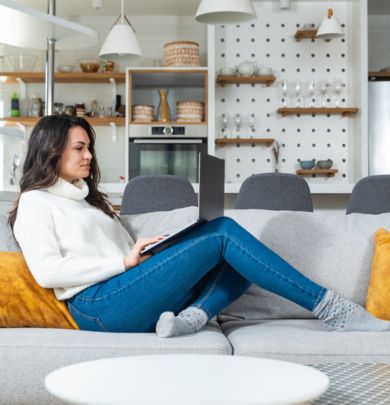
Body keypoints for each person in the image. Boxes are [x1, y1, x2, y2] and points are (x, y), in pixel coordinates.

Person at [9, 115, 390, 337]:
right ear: (51, 151)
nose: (89, 156)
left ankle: (193, 317)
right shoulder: (35, 202)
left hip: (123, 288)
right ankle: (333, 310)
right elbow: (47, 272)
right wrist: (123, 264)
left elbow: (120, 253)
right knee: (224, 232)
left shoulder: (88, 200)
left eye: (89, 147)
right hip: (96, 307)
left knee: (235, 255)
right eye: (79, 148)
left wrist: (156, 249)